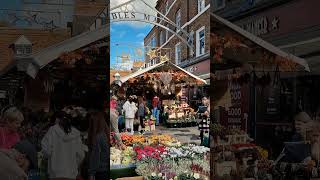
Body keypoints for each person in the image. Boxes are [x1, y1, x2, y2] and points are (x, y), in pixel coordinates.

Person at [41, 111, 85, 180]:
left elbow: (47, 151)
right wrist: (73, 164)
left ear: (57, 119)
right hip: (71, 174)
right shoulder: (76, 133)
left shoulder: (52, 131)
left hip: (55, 173)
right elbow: (81, 155)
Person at [88, 111, 109, 180]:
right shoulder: (106, 133)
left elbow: (95, 156)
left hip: (101, 171)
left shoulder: (98, 137)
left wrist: (91, 173)